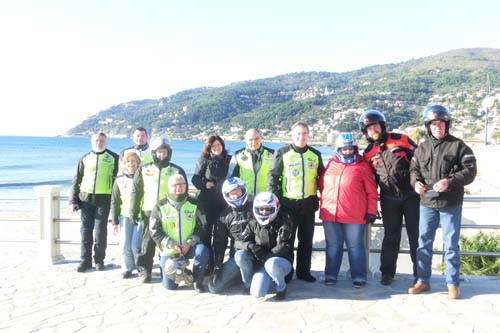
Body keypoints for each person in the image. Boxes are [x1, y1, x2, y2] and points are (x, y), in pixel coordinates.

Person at [408, 104, 477, 299]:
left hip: (450, 204)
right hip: (427, 203)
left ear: (447, 124)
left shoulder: (459, 146)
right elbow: (414, 171)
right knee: (423, 243)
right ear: (428, 126)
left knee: (451, 245)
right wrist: (416, 183)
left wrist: (450, 181)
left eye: (441, 123)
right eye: (434, 124)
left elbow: (470, 171)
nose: (438, 127)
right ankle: (423, 281)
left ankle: (452, 284)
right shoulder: (421, 147)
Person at [359, 109, 420, 285]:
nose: (373, 130)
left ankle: (420, 273)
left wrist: (422, 184)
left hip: (411, 196)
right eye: (369, 128)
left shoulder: (401, 139)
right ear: (366, 132)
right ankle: (387, 273)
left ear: (382, 126)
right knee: (391, 236)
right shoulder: (368, 153)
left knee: (415, 235)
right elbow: (369, 181)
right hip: (388, 198)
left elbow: (421, 161)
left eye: (376, 126)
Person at [267, 122, 325, 282]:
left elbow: (323, 179)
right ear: (292, 135)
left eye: (305, 133)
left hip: (308, 204)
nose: (301, 137)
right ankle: (286, 273)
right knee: (286, 241)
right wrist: (276, 200)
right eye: (298, 134)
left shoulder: (315, 154)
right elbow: (273, 177)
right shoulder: (282, 153)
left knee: (306, 240)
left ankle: (303, 272)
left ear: (308, 135)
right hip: (288, 205)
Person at [319, 133, 378, 287]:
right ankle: (331, 275)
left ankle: (359, 276)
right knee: (332, 246)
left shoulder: (362, 166)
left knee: (355, 247)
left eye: (350, 148)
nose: (347, 151)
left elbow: (372, 191)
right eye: (344, 149)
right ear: (338, 149)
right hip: (331, 214)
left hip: (354, 216)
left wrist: (372, 211)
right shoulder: (331, 164)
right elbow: (321, 185)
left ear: (355, 149)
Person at [130, 138, 187, 283]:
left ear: (169, 153)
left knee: (167, 244)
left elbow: (183, 193)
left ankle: (167, 271)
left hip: (169, 213)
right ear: (154, 153)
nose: (162, 155)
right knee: (147, 244)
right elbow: (136, 192)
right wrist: (133, 211)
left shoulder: (176, 170)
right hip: (148, 212)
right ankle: (144, 272)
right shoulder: (143, 169)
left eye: (165, 152)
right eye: (159, 152)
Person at [150, 174, 210, 292]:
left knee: (203, 250)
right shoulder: (160, 206)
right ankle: (184, 271)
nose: (179, 187)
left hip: (190, 247)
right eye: (175, 185)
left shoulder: (195, 203)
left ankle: (197, 280)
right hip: (170, 249)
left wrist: (189, 243)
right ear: (169, 187)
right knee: (170, 287)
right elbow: (154, 230)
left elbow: (202, 226)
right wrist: (172, 244)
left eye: (182, 184)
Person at [69, 132, 119, 272]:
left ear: (106, 142)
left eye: (102, 140)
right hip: (85, 199)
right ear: (92, 142)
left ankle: (99, 260)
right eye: (97, 140)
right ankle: (85, 260)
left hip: (104, 199)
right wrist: (73, 200)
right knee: (85, 230)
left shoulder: (114, 158)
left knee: (100, 231)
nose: (99, 143)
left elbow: (118, 181)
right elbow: (76, 179)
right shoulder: (85, 158)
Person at [234, 192, 294, 300]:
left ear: (275, 208)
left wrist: (267, 256)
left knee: (271, 264)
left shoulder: (284, 221)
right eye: (261, 209)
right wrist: (250, 246)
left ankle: (281, 287)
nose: (264, 212)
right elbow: (238, 242)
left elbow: (284, 246)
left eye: (268, 209)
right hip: (262, 261)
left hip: (279, 261)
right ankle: (248, 284)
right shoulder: (253, 223)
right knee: (240, 255)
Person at [208, 177, 252, 294]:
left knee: (243, 257)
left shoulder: (255, 209)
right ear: (226, 196)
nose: (236, 196)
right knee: (214, 287)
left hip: (256, 254)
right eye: (231, 194)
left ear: (243, 190)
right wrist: (218, 266)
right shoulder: (224, 216)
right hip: (237, 258)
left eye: (238, 191)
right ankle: (239, 276)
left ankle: (250, 283)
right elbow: (219, 243)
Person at [191, 135, 232, 260]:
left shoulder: (229, 160)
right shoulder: (204, 160)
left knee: (221, 232)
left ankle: (218, 260)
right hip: (206, 201)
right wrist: (205, 184)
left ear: (222, 145)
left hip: (223, 202)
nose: (216, 147)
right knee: (206, 232)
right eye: (213, 145)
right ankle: (208, 262)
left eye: (219, 145)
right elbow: (195, 179)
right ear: (209, 147)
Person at [110, 151, 142, 279]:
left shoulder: (143, 178)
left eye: (134, 161)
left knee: (135, 245)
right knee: (124, 244)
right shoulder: (119, 179)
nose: (131, 163)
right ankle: (127, 268)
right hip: (125, 216)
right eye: (128, 161)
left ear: (138, 163)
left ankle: (140, 266)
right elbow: (115, 201)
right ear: (124, 163)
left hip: (140, 216)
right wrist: (114, 222)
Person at [227, 128, 274, 199]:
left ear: (261, 138)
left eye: (257, 139)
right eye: (251, 139)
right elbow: (230, 179)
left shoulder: (272, 154)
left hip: (265, 200)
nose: (254, 142)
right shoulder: (237, 155)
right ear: (246, 140)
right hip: (244, 198)